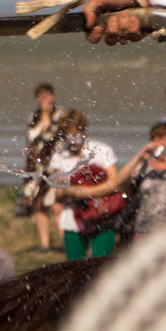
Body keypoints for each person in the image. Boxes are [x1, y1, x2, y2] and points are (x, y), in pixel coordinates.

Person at [83, 123, 166, 243]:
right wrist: (140, 155)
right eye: (158, 138)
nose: (162, 142)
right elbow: (118, 182)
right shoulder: (143, 166)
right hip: (142, 229)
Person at [49, 110, 119, 260]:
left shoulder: (101, 150)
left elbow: (113, 183)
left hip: (103, 214)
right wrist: (67, 190)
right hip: (73, 219)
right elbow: (57, 196)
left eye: (73, 135)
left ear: (83, 130)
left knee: (100, 265)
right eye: (66, 136)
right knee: (74, 267)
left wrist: (86, 192)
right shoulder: (61, 155)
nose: (70, 141)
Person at [22, 83, 65, 252]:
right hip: (36, 165)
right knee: (39, 204)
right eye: (41, 97)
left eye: (47, 96)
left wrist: (47, 117)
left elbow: (52, 136)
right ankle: (44, 244)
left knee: (57, 205)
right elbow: (31, 136)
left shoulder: (60, 114)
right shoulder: (34, 115)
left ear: (53, 97)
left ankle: (65, 241)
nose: (44, 100)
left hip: (55, 165)